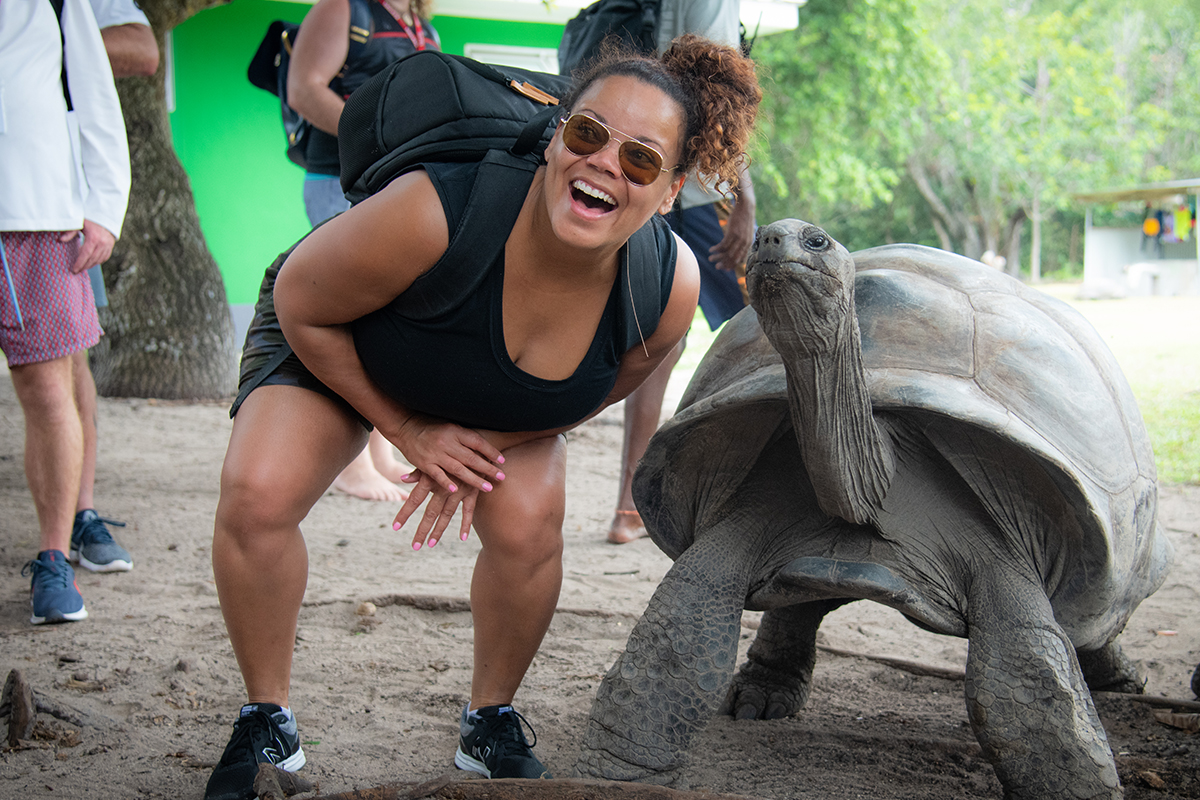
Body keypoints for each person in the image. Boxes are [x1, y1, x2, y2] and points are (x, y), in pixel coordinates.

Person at [203, 34, 760, 800]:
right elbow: (304, 305)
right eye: (589, 134)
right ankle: (266, 717)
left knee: (531, 518)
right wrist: (410, 433)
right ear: (557, 136)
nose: (603, 162)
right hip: (349, 337)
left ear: (670, 193)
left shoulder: (665, 287)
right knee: (258, 492)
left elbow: (608, 384)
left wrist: (489, 443)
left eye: (639, 159)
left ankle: (488, 720)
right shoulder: (437, 209)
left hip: (490, 395)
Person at [607, 0, 757, 544]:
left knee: (658, 342)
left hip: (654, 180)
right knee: (767, 327)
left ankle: (629, 505)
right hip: (698, 190)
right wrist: (744, 197)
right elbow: (716, 91)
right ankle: (739, 499)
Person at [0, 0, 131, 622]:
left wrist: (105, 206)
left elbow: (94, 92)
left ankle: (54, 559)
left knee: (50, 393)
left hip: (36, 218)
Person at [288, 0, 441, 502]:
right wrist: (378, 136)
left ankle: (378, 455)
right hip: (341, 180)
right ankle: (349, 464)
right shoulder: (343, 9)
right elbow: (305, 88)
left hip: (391, 185)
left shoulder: (421, 24)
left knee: (381, 320)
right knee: (348, 316)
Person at [64, 0, 160, 575]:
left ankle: (81, 515)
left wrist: (46, 48)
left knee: (68, 373)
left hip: (50, 203)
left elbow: (142, 49)